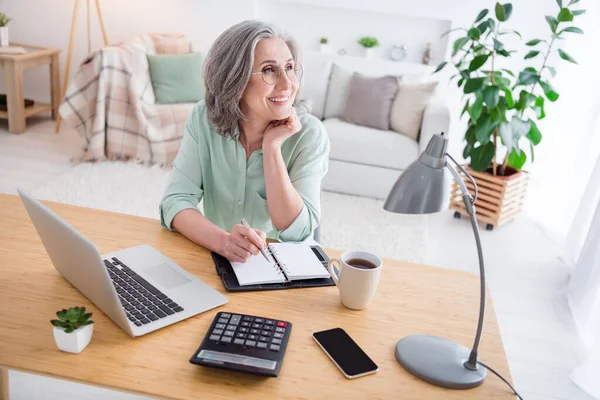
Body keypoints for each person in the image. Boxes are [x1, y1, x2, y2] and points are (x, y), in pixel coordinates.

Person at [159, 20, 330, 264]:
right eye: (269, 70)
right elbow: (175, 202)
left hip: (284, 271)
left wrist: (272, 148)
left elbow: (297, 232)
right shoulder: (203, 118)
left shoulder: (310, 134)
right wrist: (223, 242)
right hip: (216, 258)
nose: (287, 84)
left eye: (290, 67)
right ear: (234, 80)